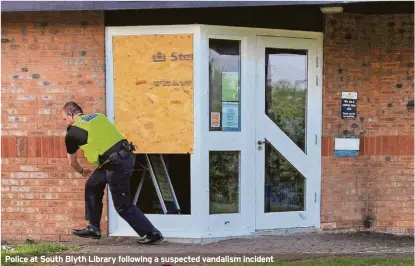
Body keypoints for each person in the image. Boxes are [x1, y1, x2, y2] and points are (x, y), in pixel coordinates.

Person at [61, 102, 163, 245]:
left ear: (71, 115)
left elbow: (72, 162)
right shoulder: (98, 116)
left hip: (117, 164)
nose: (65, 122)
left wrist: (82, 171)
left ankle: (152, 233)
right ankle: (94, 227)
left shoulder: (72, 132)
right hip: (120, 158)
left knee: (122, 206)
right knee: (92, 185)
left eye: (65, 119)